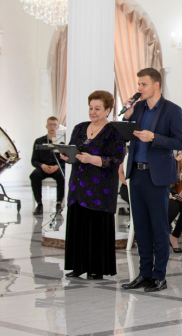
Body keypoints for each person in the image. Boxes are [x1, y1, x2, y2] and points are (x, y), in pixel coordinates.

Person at [121, 68, 182, 293]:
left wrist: (154, 137)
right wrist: (127, 118)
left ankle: (159, 276)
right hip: (136, 174)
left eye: (144, 84)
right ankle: (144, 274)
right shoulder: (138, 107)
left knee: (158, 227)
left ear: (156, 85)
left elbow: (178, 142)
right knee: (141, 226)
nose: (139, 88)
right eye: (138, 84)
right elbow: (126, 135)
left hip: (156, 176)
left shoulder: (172, 110)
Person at [62, 91, 125, 280]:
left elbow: (117, 159)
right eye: (91, 108)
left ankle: (97, 268)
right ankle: (78, 266)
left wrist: (93, 159)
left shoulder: (114, 131)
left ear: (107, 110)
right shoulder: (79, 128)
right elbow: (73, 151)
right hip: (78, 186)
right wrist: (67, 156)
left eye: (97, 108)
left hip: (100, 189)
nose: (93, 112)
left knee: (97, 228)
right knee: (78, 226)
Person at [29, 116, 65, 215]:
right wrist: (42, 165)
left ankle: (59, 204)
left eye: (54, 125)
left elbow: (66, 160)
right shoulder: (39, 141)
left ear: (58, 127)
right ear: (46, 126)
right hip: (43, 167)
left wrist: (57, 166)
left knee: (62, 175)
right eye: (50, 124)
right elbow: (34, 160)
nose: (52, 127)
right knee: (34, 175)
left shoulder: (62, 142)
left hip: (56, 167)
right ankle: (39, 204)